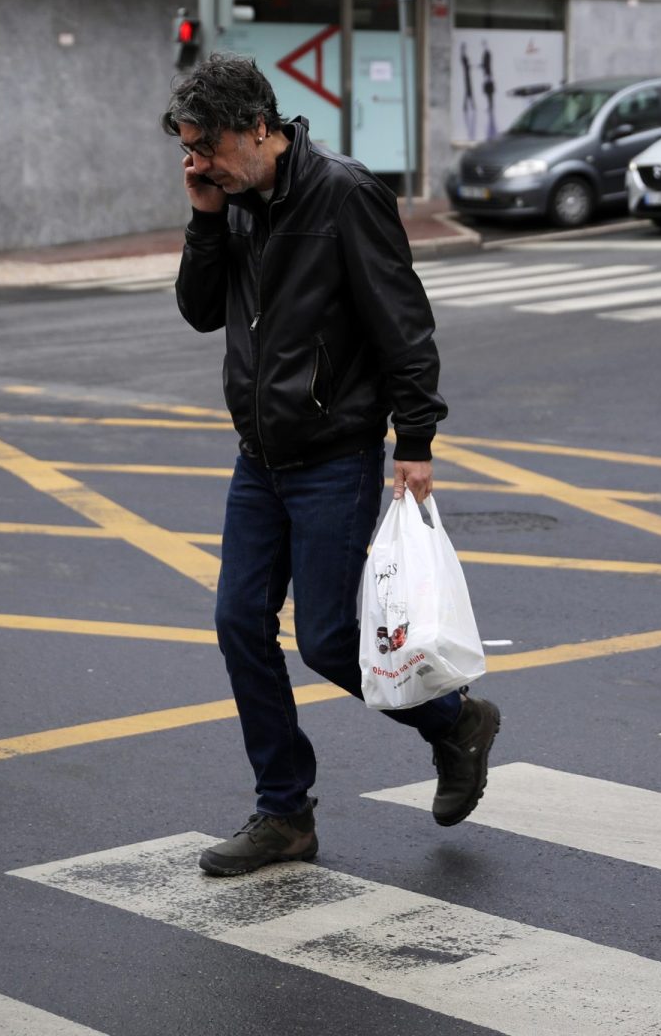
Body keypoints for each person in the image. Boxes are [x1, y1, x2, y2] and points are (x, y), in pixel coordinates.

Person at [167, 53, 500, 877]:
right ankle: (284, 813)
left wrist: (415, 443)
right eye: (186, 150)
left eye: (206, 147)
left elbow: (403, 322)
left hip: (334, 456)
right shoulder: (235, 202)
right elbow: (202, 311)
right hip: (259, 458)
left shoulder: (343, 193)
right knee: (239, 623)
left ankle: (455, 722)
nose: (197, 162)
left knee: (325, 640)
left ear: (258, 129)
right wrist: (206, 216)